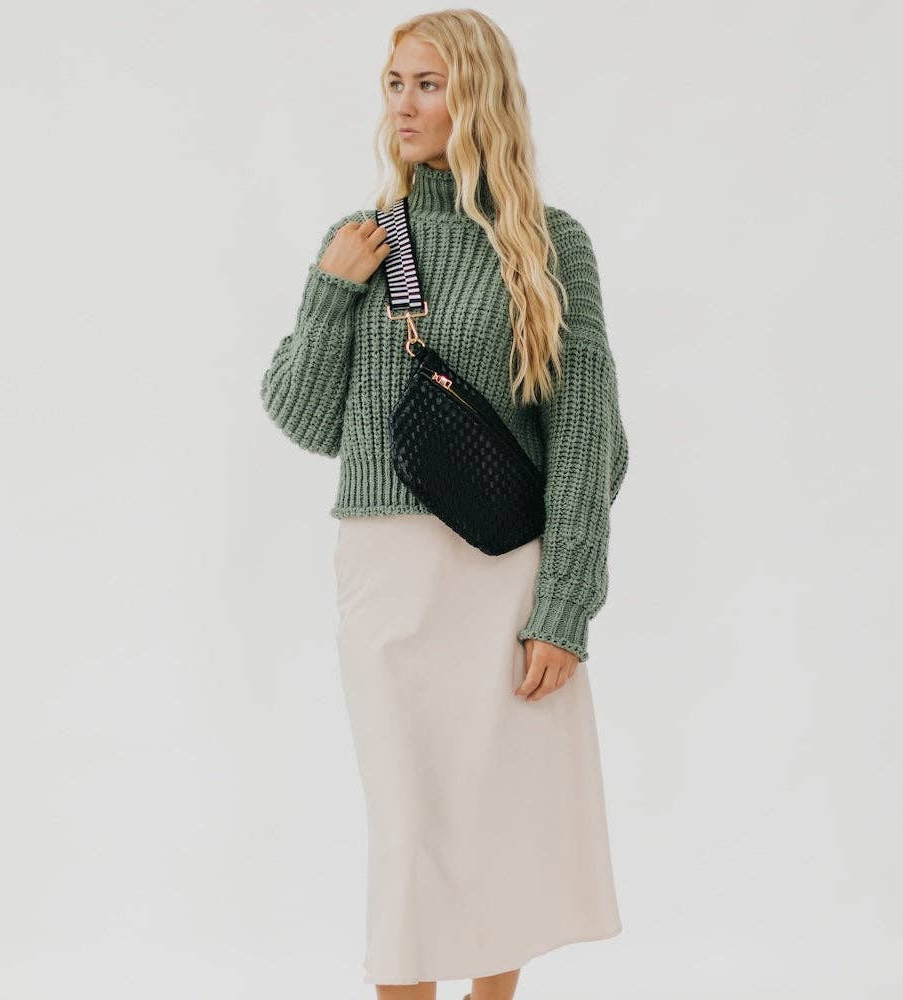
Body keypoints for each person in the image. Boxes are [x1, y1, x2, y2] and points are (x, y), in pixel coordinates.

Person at [260, 9, 629, 1000]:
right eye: (394, 84)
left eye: (428, 84)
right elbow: (307, 421)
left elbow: (587, 438)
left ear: (479, 96)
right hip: (386, 573)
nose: (404, 105)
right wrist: (329, 292)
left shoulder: (549, 243)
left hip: (504, 569)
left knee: (502, 816)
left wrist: (565, 604)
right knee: (410, 826)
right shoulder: (364, 240)